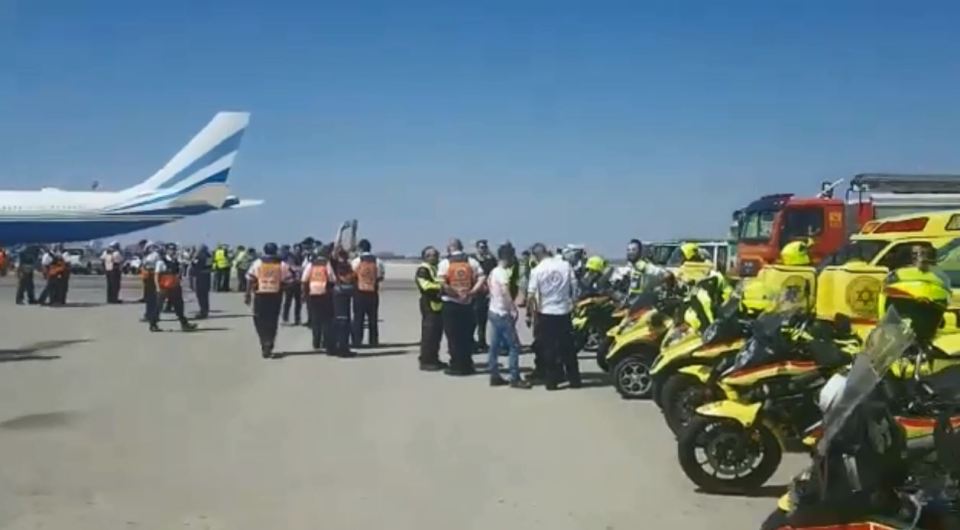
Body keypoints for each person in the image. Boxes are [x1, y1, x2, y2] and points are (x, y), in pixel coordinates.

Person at [528, 243, 580, 390]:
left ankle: (552, 382)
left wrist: (531, 313)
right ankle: (574, 379)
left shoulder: (537, 270)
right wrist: (574, 303)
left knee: (549, 349)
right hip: (564, 311)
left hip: (546, 312)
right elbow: (574, 286)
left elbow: (531, 294)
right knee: (568, 347)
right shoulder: (565, 265)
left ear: (536, 255)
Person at [437, 238, 486, 376]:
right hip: (468, 302)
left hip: (451, 302)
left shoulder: (445, 263)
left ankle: (456, 365)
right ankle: (467, 364)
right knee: (466, 334)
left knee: (453, 335)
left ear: (450, 248)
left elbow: (442, 282)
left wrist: (456, 294)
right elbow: (482, 277)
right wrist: (472, 292)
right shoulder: (472, 261)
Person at [487, 244, 531, 389]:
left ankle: (494, 374)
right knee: (514, 346)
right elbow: (505, 292)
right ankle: (515, 377)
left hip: (493, 310)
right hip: (502, 312)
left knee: (494, 345)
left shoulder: (493, 272)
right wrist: (513, 308)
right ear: (509, 257)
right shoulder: (503, 273)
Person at [245, 243, 290, 358]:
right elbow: (288, 279)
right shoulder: (282, 264)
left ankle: (264, 340)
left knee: (259, 319)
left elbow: (250, 279)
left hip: (261, 295)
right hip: (275, 295)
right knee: (272, 320)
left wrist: (248, 294)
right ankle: (269, 341)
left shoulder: (258, 263)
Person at [150, 243, 197, 333]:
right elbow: (156, 275)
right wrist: (157, 287)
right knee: (158, 306)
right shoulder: (161, 262)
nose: (172, 251)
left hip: (175, 286)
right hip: (164, 287)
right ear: (167, 250)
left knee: (179, 306)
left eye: (173, 250)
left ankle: (184, 324)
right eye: (170, 250)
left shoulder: (176, 261)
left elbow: (181, 269)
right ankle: (153, 324)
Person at [415, 246, 446, 371]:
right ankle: (426, 360)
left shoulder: (436, 268)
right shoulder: (423, 269)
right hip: (429, 303)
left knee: (436, 334)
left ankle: (434, 358)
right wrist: (442, 287)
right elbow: (425, 285)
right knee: (429, 333)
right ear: (426, 257)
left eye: (436, 254)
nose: (435, 257)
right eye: (432, 255)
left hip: (439, 304)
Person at [351, 239, 385, 347]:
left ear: (360, 248)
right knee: (373, 319)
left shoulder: (357, 261)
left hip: (359, 292)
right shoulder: (378, 261)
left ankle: (357, 341)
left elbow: (352, 275)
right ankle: (373, 341)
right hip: (372, 292)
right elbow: (380, 276)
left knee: (358, 318)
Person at [302, 247, 334, 351]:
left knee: (315, 319)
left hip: (313, 294)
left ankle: (316, 342)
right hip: (325, 294)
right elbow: (332, 278)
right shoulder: (327, 264)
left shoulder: (311, 264)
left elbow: (304, 279)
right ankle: (325, 341)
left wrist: (304, 294)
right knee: (326, 320)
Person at [329, 243, 357, 357]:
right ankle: (341, 348)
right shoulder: (336, 264)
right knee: (342, 321)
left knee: (343, 321)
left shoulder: (346, 265)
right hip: (341, 294)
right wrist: (340, 231)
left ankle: (340, 347)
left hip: (343, 294)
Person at [471, 239, 497, 352]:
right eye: (481, 247)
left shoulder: (491, 260)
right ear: (477, 248)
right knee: (473, 319)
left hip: (486, 292)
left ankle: (482, 341)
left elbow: (494, 274)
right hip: (474, 291)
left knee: (483, 320)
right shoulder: (472, 260)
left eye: (484, 247)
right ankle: (471, 342)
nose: (483, 249)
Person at [282, 244, 305, 325]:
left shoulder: (303, 258)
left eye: (299, 249)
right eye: (296, 249)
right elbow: (290, 267)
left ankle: (297, 319)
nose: (297, 251)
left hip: (298, 283)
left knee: (298, 303)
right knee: (288, 302)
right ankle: (285, 318)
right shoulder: (289, 258)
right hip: (289, 283)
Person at [191, 244, 213, 319]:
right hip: (207, 277)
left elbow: (194, 265)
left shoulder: (199, 256)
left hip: (200, 277)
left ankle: (203, 311)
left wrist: (194, 256)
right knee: (205, 296)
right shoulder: (209, 256)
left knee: (200, 295)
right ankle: (205, 311)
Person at [140, 242, 161, 322]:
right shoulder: (148, 255)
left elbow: (148, 263)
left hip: (152, 275)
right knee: (149, 297)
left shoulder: (154, 255)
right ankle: (149, 314)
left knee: (152, 297)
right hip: (147, 275)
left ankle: (151, 315)